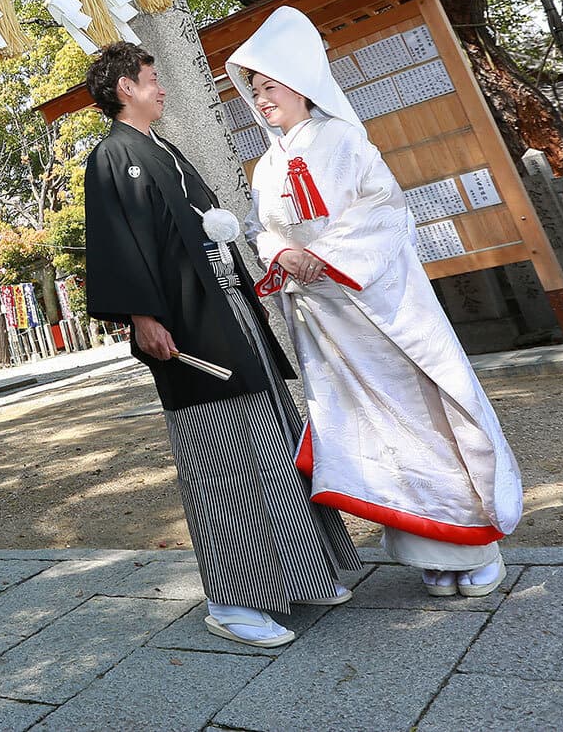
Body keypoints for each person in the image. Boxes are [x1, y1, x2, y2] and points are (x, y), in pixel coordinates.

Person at [227, 6, 523, 598]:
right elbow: (263, 228)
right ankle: (424, 550)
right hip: (326, 320)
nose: (261, 99)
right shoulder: (266, 167)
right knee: (372, 428)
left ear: (299, 83)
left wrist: (326, 254)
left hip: (380, 309)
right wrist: (282, 253)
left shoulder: (345, 140)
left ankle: (475, 542)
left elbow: (383, 209)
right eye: (254, 91)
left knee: (423, 415)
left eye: (269, 87)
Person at [82, 40, 359, 648]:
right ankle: (233, 599)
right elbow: (117, 244)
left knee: (269, 436)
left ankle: (302, 572)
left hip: (227, 307)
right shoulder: (112, 156)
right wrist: (142, 317)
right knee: (221, 454)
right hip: (183, 321)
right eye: (151, 78)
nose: (161, 88)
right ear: (126, 88)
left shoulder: (162, 148)